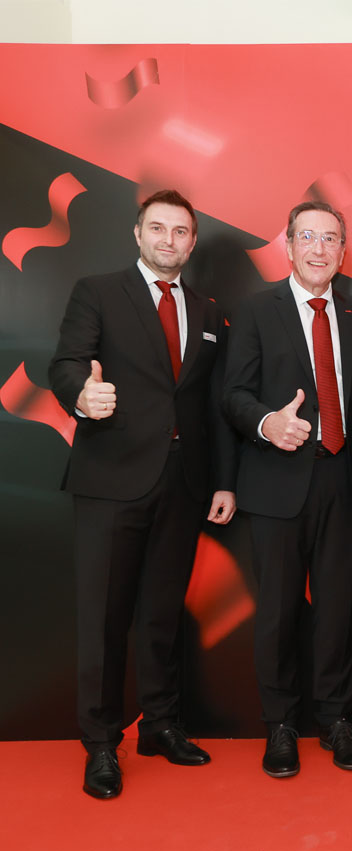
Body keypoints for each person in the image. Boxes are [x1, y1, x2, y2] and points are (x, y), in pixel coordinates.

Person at [49, 189, 237, 800]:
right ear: (137, 233)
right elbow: (66, 363)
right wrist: (83, 395)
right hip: (111, 480)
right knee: (104, 618)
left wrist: (223, 479)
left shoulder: (208, 311)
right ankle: (102, 743)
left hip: (183, 483)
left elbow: (211, 403)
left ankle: (160, 725)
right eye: (157, 228)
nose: (168, 240)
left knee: (162, 613)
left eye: (180, 231)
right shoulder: (98, 292)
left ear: (192, 241)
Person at [222, 201, 352, 778]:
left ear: (343, 250)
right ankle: (281, 725)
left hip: (342, 479)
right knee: (278, 611)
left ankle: (336, 719)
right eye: (308, 238)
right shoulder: (254, 310)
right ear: (289, 246)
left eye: (331, 238)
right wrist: (269, 423)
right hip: (276, 480)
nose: (320, 249)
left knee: (337, 609)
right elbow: (233, 395)